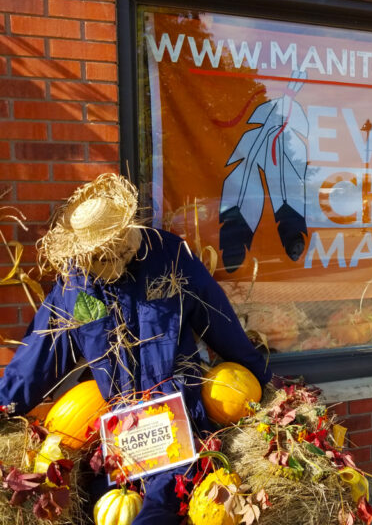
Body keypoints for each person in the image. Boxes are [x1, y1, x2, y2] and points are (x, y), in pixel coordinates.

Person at [0, 173, 271, 523]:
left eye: (107, 253)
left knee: (159, 508)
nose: (101, 263)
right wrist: (4, 406)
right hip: (117, 432)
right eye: (94, 257)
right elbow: (39, 357)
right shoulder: (77, 285)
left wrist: (265, 386)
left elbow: (220, 324)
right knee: (102, 507)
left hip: (177, 420)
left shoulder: (170, 258)